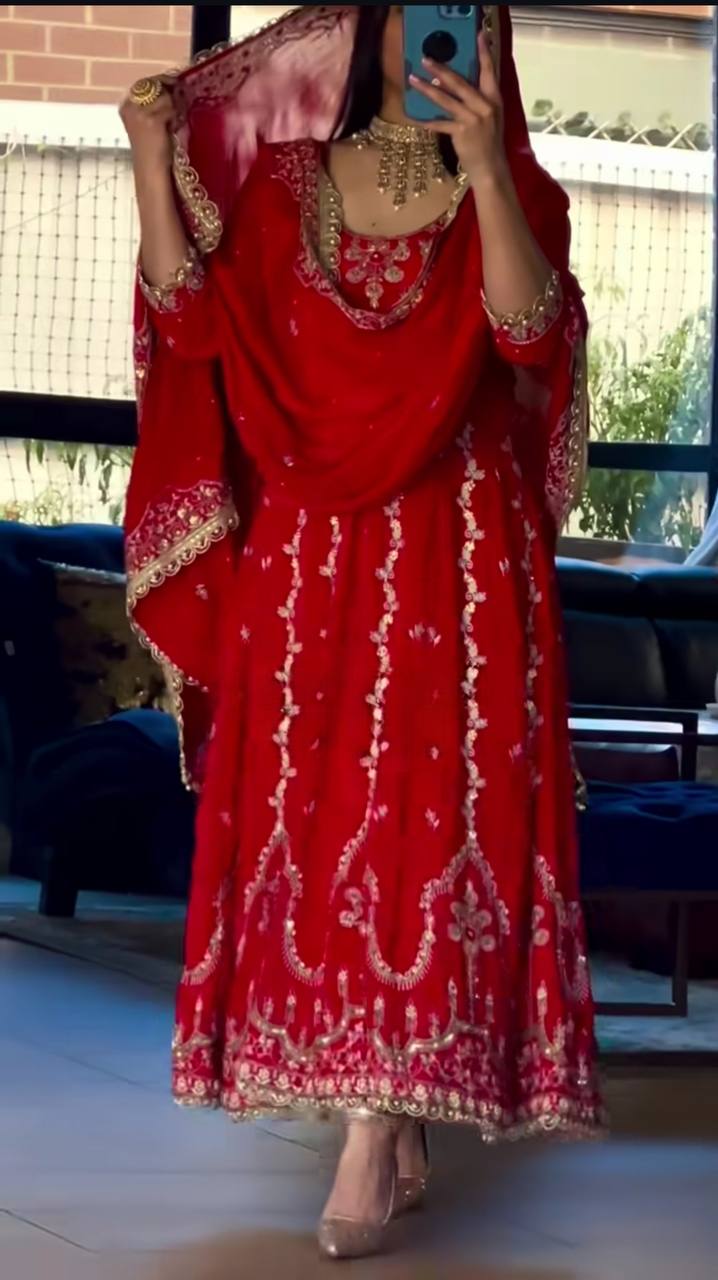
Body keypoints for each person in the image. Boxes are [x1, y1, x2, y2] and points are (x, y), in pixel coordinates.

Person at [121, 4, 604, 1261]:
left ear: (492, 42)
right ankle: (386, 1109)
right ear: (377, 29)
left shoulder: (516, 188)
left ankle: (372, 1130)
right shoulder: (287, 186)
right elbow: (193, 325)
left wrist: (486, 167)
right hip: (309, 565)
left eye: (469, 14)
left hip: (459, 557)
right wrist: (147, 157)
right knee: (325, 825)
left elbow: (528, 336)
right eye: (421, 11)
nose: (441, 39)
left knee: (427, 827)